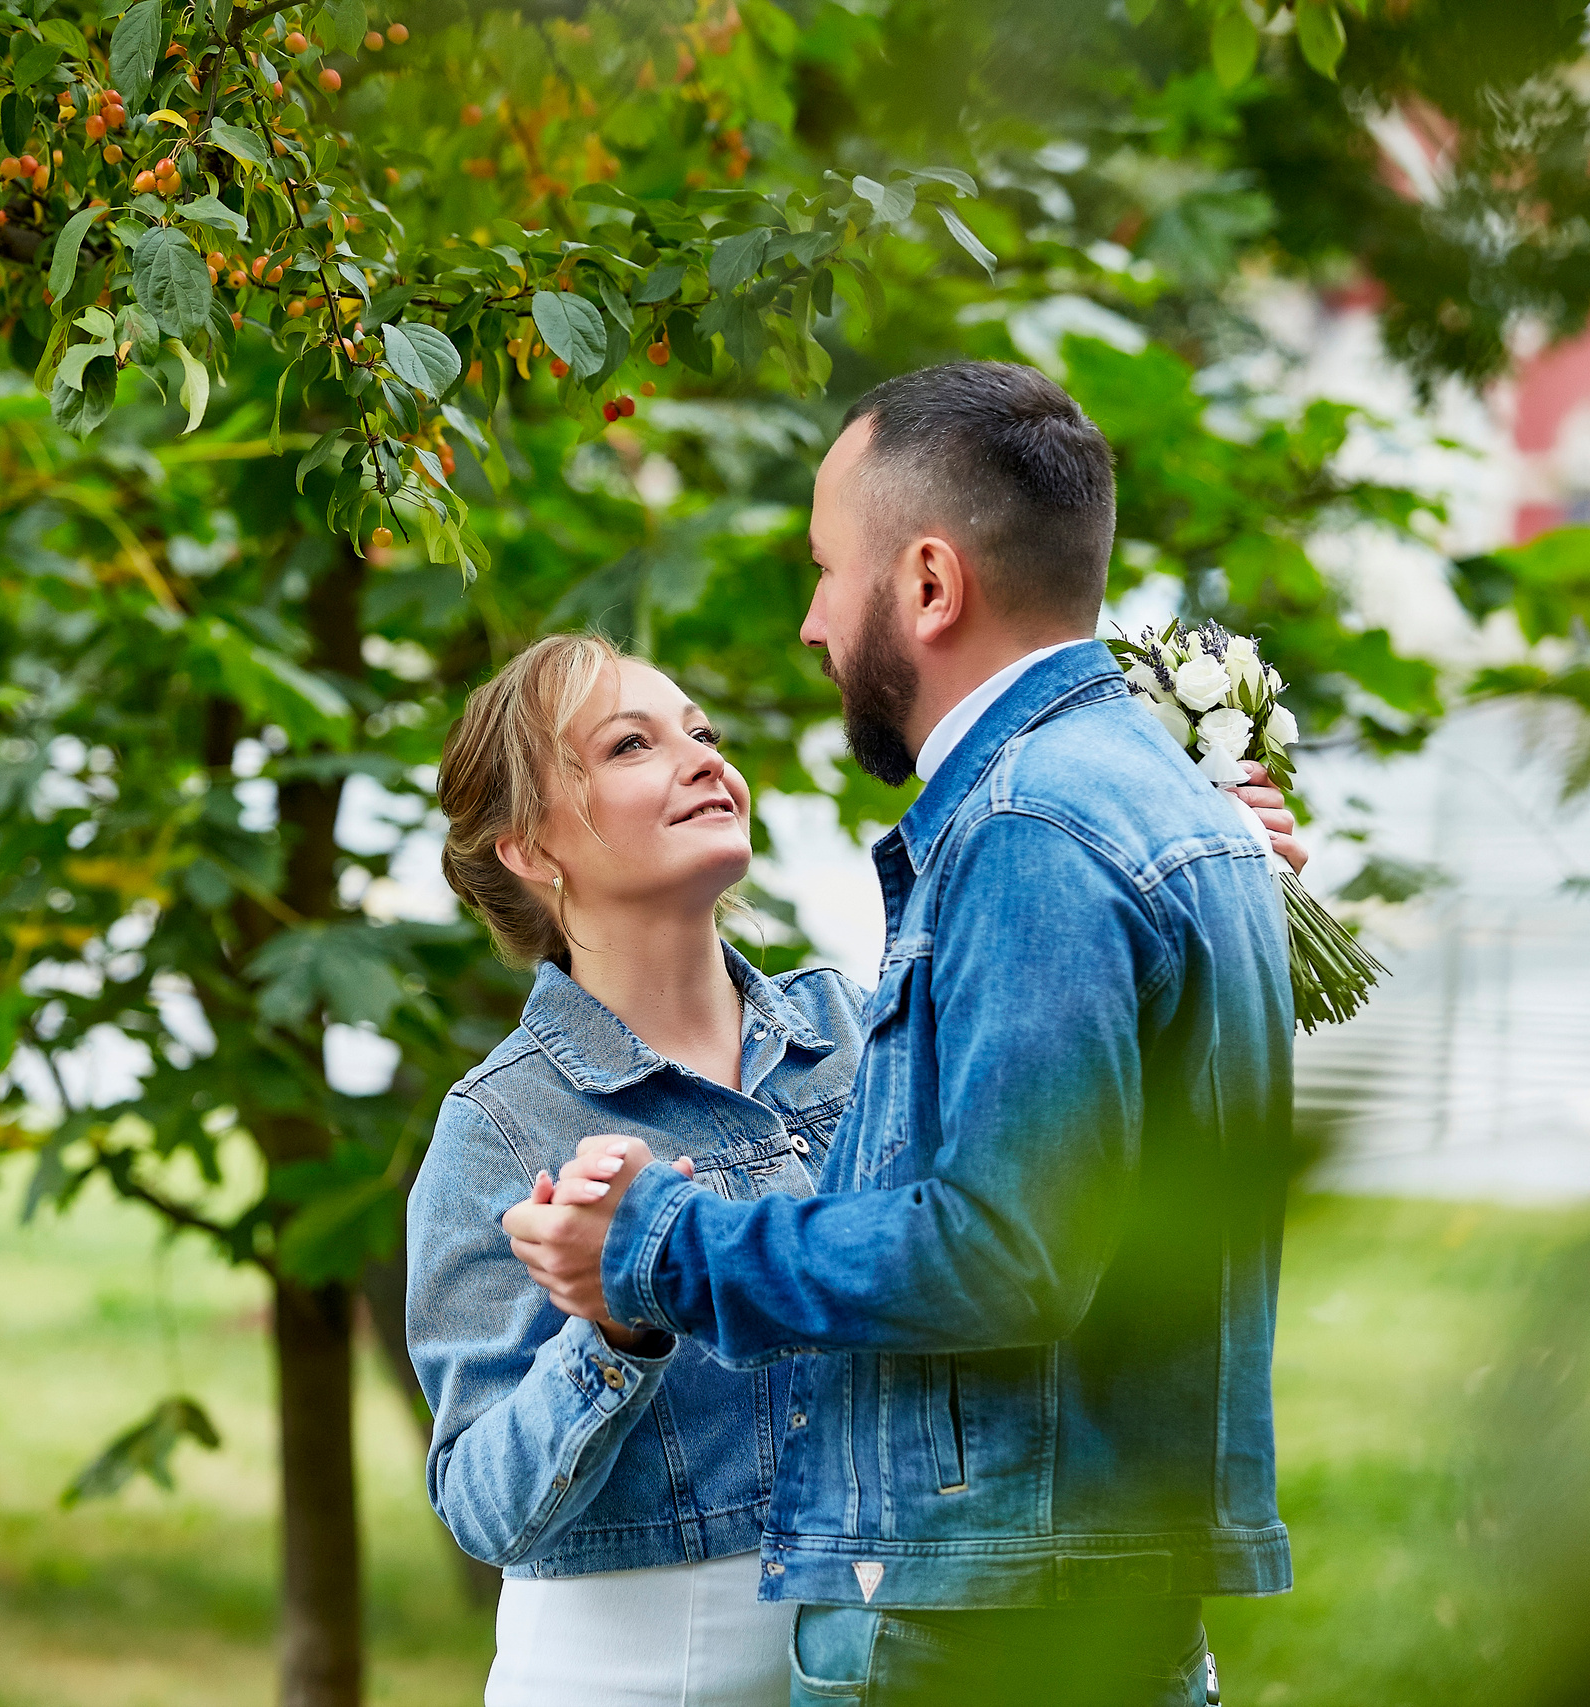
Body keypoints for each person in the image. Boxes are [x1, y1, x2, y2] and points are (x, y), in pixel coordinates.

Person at [501, 361, 1300, 1706]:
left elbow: (1005, 1250)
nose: (814, 623)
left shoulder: (1031, 830)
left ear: (928, 586)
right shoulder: (1172, 807)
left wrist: (657, 1242)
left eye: (827, 570)